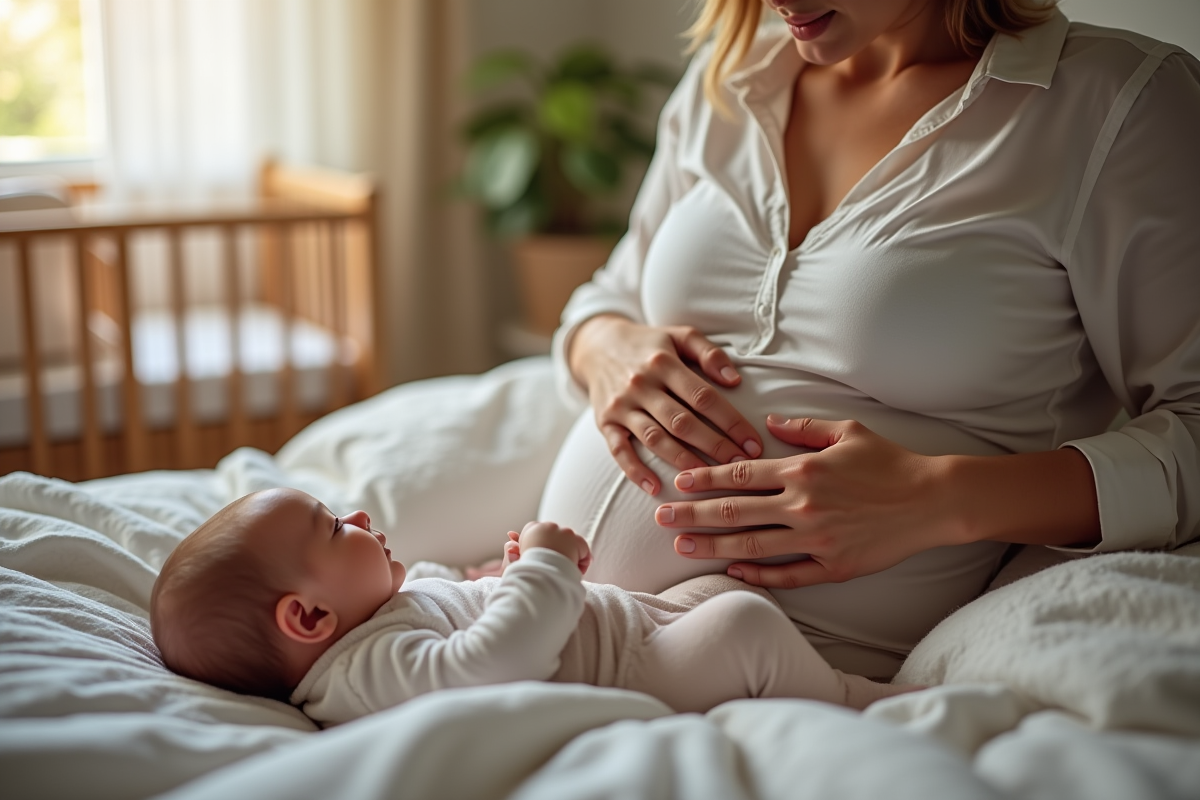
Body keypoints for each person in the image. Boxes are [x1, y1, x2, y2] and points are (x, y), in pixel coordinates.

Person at [534, 0, 1200, 680]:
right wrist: (605, 345)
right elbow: (610, 292)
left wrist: (940, 496)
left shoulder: (1119, 104)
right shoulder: (734, 73)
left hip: (795, 665)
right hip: (545, 609)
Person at [150, 488, 913, 727]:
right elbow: (495, 661)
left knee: (714, 598)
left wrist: (502, 575)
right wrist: (546, 566)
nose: (356, 519)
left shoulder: (376, 621)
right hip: (636, 674)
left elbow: (460, 614)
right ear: (309, 618)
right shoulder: (362, 674)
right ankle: (869, 705)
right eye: (331, 527)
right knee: (741, 625)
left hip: (632, 627)